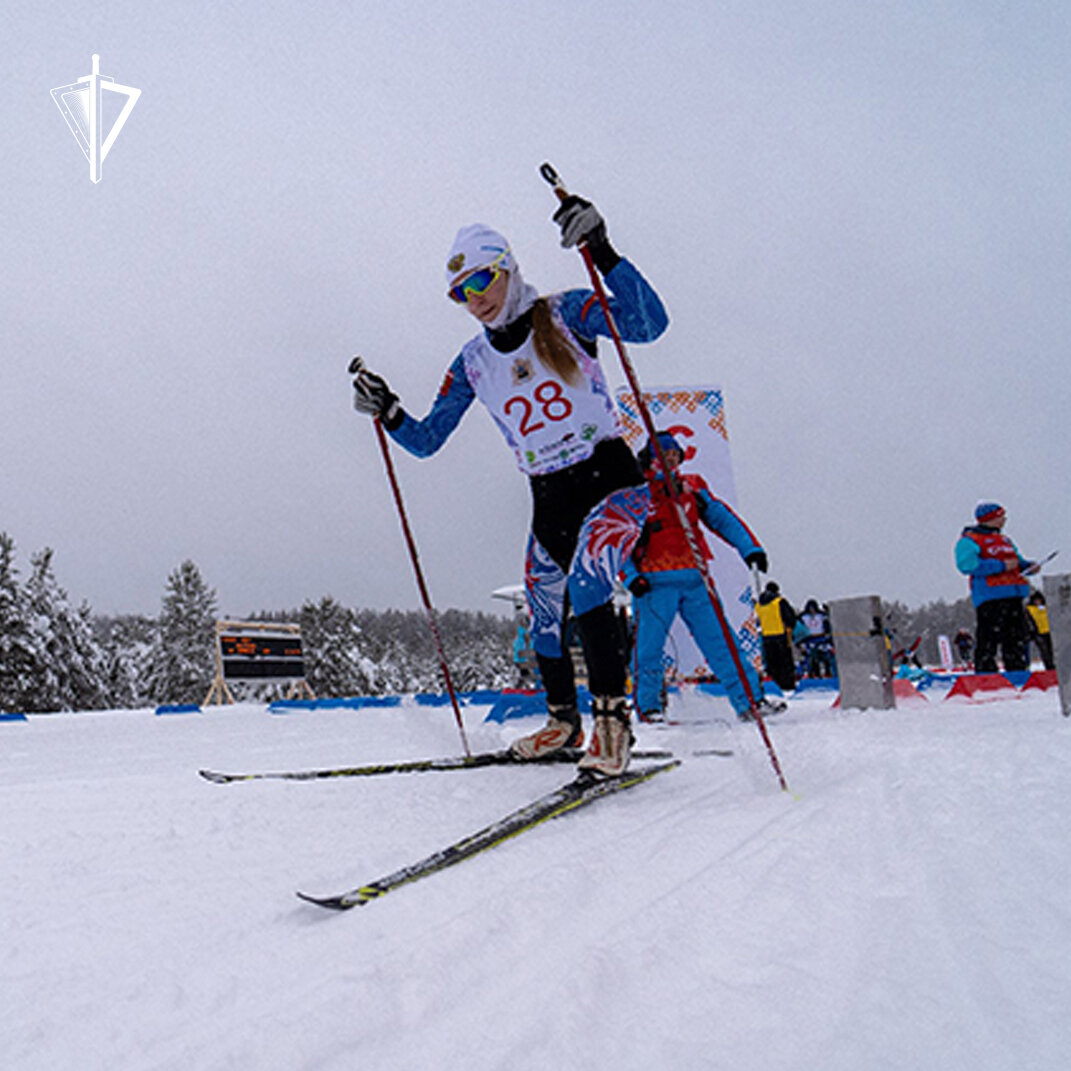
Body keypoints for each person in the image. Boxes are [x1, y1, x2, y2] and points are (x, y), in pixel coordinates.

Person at [350, 193, 668, 777]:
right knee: (543, 609)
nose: (476, 299)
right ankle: (564, 723)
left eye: (483, 280)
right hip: (548, 496)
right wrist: (388, 409)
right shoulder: (472, 361)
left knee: (592, 584)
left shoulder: (565, 313)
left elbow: (649, 323)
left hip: (609, 480)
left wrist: (600, 246)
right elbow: (426, 440)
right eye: (461, 292)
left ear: (509, 267)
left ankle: (613, 726)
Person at [623, 431, 784, 723]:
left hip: (695, 579)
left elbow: (721, 517)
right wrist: (630, 576)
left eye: (675, 455)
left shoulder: (691, 487)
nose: (670, 460)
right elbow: (618, 541)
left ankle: (750, 700)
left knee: (722, 642)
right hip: (654, 582)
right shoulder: (636, 492)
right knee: (649, 648)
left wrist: (750, 548)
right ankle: (648, 708)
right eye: (664, 455)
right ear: (651, 457)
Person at [954, 501, 1039, 673]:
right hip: (990, 595)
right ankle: (986, 674)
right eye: (1001, 516)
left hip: (1014, 594)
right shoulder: (969, 540)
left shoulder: (1005, 540)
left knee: (1016, 638)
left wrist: (1029, 566)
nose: (1004, 520)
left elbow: (1017, 562)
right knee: (988, 638)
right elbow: (967, 565)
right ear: (990, 518)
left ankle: (1018, 671)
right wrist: (1000, 566)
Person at [756, 581, 797, 692]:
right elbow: (790, 618)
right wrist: (790, 627)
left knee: (772, 663)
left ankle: (774, 685)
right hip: (780, 635)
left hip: (766, 637)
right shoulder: (779, 602)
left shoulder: (759, 604)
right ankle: (787, 684)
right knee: (784, 663)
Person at [798, 599, 835, 678]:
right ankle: (813, 673)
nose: (812, 611)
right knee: (811, 658)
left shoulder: (821, 615)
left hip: (821, 638)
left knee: (825, 657)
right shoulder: (803, 617)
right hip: (809, 639)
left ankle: (828, 672)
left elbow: (827, 626)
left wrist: (828, 639)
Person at [1025, 590, 1055, 671]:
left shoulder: (1046, 607)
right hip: (1039, 633)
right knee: (1045, 652)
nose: (1037, 602)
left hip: (1049, 632)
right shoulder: (1030, 609)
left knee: (1052, 651)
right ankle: (1049, 667)